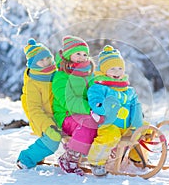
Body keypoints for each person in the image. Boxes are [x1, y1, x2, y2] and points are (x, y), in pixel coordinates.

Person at [86, 45, 145, 176]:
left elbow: (136, 105)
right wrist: (103, 106)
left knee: (145, 129)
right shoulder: (99, 87)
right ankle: (96, 162)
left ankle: (136, 157)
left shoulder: (128, 90)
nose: (117, 72)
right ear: (104, 70)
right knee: (109, 135)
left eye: (120, 68)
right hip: (109, 124)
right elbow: (95, 103)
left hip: (128, 124)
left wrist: (138, 122)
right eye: (112, 68)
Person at [52, 35, 100, 176]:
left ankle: (103, 156)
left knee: (105, 124)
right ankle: (69, 158)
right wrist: (90, 109)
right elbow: (67, 101)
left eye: (85, 54)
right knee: (89, 124)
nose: (82, 57)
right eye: (78, 53)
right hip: (66, 116)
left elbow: (95, 92)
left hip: (85, 113)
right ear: (68, 55)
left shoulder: (89, 74)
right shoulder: (61, 76)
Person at [16, 38, 61, 169]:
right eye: (41, 60)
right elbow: (34, 110)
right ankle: (26, 158)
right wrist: (47, 126)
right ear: (33, 63)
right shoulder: (33, 83)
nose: (46, 62)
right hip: (42, 119)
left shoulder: (56, 74)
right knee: (53, 138)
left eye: (48, 58)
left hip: (59, 114)